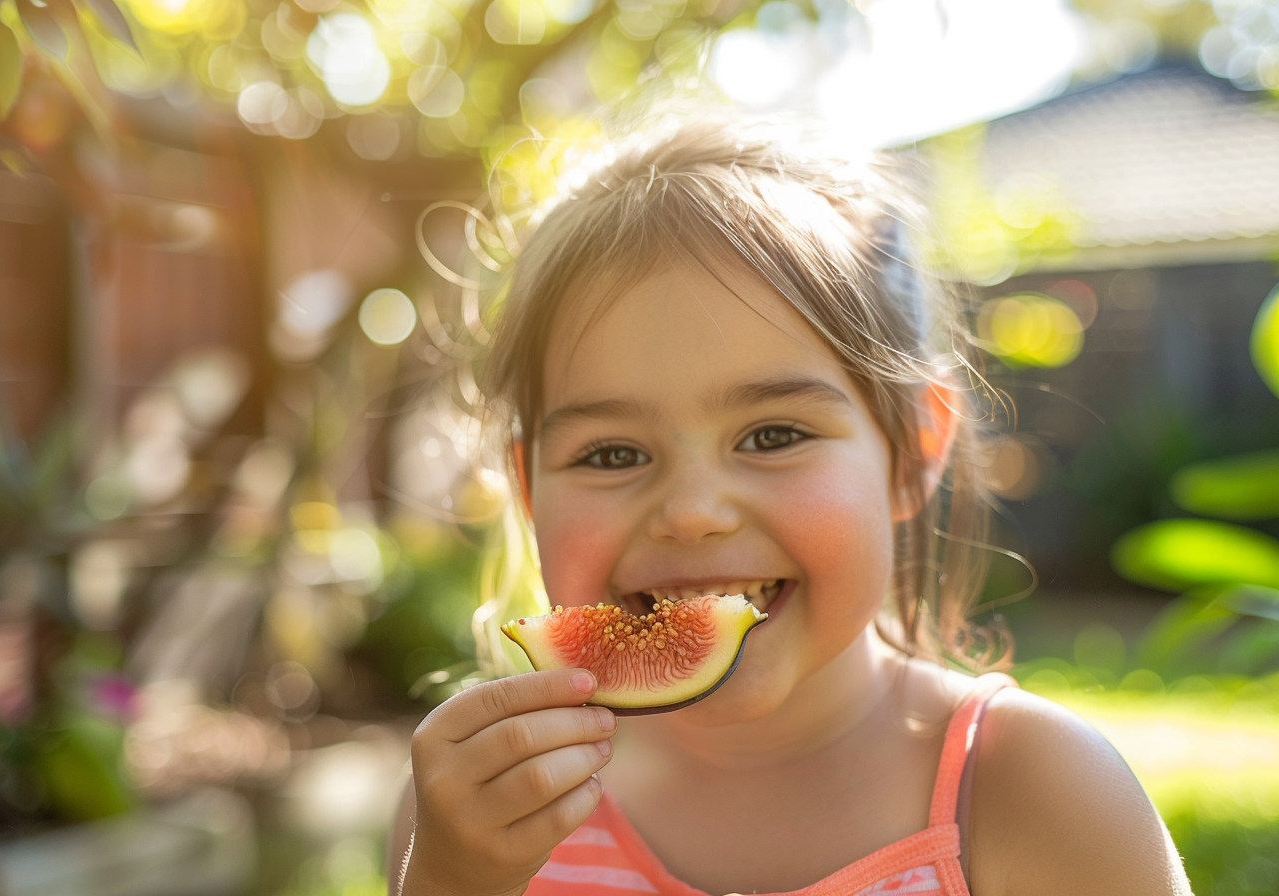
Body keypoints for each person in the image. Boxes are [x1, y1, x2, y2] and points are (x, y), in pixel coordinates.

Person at [388, 115, 1192, 896]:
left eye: (773, 435)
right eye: (612, 454)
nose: (694, 511)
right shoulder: (481, 809)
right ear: (530, 491)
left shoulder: (1036, 795)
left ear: (912, 454)